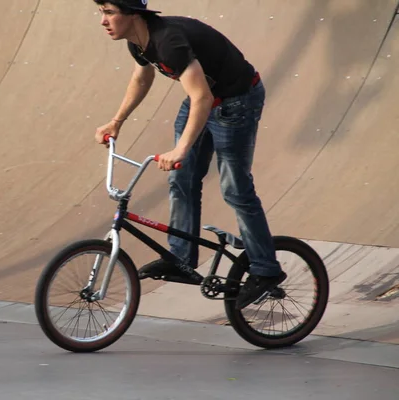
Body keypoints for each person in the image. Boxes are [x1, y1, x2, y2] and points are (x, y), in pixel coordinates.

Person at [93, 0, 285, 310]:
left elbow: (202, 97)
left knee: (234, 188)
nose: (103, 20)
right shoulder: (138, 43)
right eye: (101, 12)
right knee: (181, 179)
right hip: (204, 101)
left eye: (109, 12)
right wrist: (116, 121)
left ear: (133, 14)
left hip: (236, 101)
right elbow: (142, 79)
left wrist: (182, 148)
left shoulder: (168, 41)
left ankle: (265, 271)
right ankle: (180, 258)